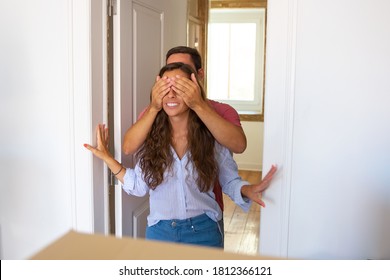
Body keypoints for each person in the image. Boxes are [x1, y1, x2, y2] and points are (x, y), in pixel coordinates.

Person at [84, 63, 277, 248]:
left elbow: (229, 181)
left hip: (205, 232)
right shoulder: (151, 138)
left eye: (180, 87)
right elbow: (138, 185)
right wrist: (107, 157)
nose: (171, 94)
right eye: (165, 87)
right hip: (160, 234)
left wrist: (246, 189)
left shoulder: (211, 137)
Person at [121, 46, 245, 222]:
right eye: (168, 79)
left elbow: (239, 145)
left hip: (207, 214)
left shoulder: (222, 111)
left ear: (198, 75)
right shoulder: (155, 114)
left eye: (181, 78)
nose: (173, 87)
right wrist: (154, 107)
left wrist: (197, 105)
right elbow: (128, 147)